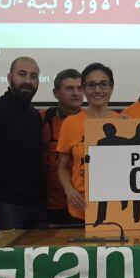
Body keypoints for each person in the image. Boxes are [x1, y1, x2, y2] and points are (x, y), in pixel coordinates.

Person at [0, 57, 45, 231]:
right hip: (6, 207)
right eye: (22, 74)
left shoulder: (35, 116)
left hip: (37, 207)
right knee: (8, 258)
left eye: (33, 76)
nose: (28, 81)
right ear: (9, 77)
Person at [56, 63, 119, 224]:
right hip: (80, 208)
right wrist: (69, 190)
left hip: (117, 207)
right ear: (84, 89)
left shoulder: (124, 122)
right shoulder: (70, 123)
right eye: (91, 85)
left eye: (103, 84)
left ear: (111, 88)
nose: (98, 90)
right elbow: (62, 166)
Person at [41, 69, 84, 225]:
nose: (76, 93)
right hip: (52, 206)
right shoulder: (43, 119)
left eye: (80, 88)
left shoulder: (93, 121)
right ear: (56, 93)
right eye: (69, 88)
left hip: (84, 205)